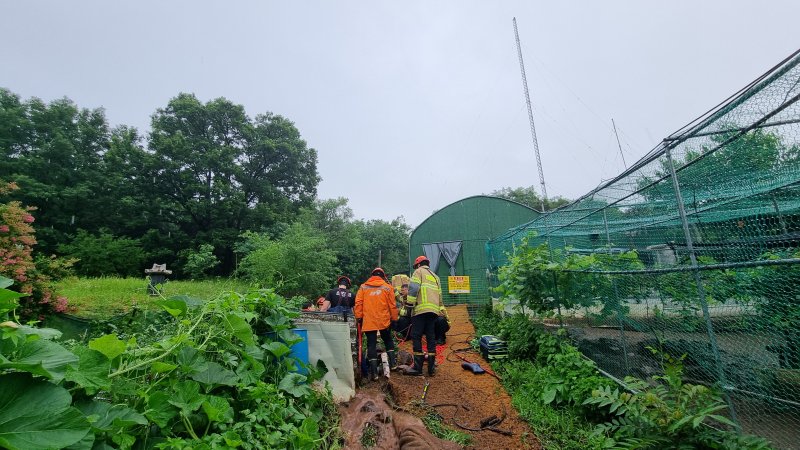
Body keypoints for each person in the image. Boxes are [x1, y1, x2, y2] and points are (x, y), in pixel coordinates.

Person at [355, 268, 399, 380]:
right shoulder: (387, 287)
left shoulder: (363, 287)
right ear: (383, 276)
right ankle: (393, 364)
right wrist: (394, 319)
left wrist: (359, 317)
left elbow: (358, 303)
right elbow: (392, 305)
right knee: (388, 339)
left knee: (371, 344)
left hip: (369, 320)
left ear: (372, 276)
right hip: (383, 320)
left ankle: (374, 374)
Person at [402, 255, 443, 376]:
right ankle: (431, 369)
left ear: (419, 265)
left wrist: (409, 304)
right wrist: (439, 310)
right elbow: (440, 297)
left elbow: (413, 289)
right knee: (431, 337)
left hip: (420, 310)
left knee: (416, 336)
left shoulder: (418, 272)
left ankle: (418, 368)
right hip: (433, 311)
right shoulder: (436, 277)